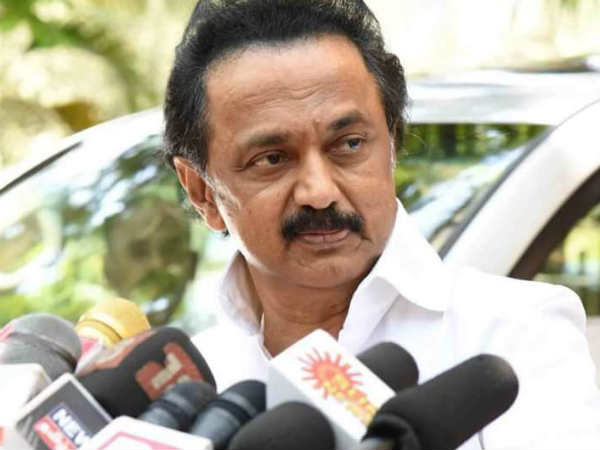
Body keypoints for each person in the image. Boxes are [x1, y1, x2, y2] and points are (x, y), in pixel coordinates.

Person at [163, 0, 600, 448]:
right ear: (201, 192)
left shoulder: (513, 333)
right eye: (273, 159)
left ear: (391, 145)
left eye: (349, 144)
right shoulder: (188, 393)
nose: (319, 192)